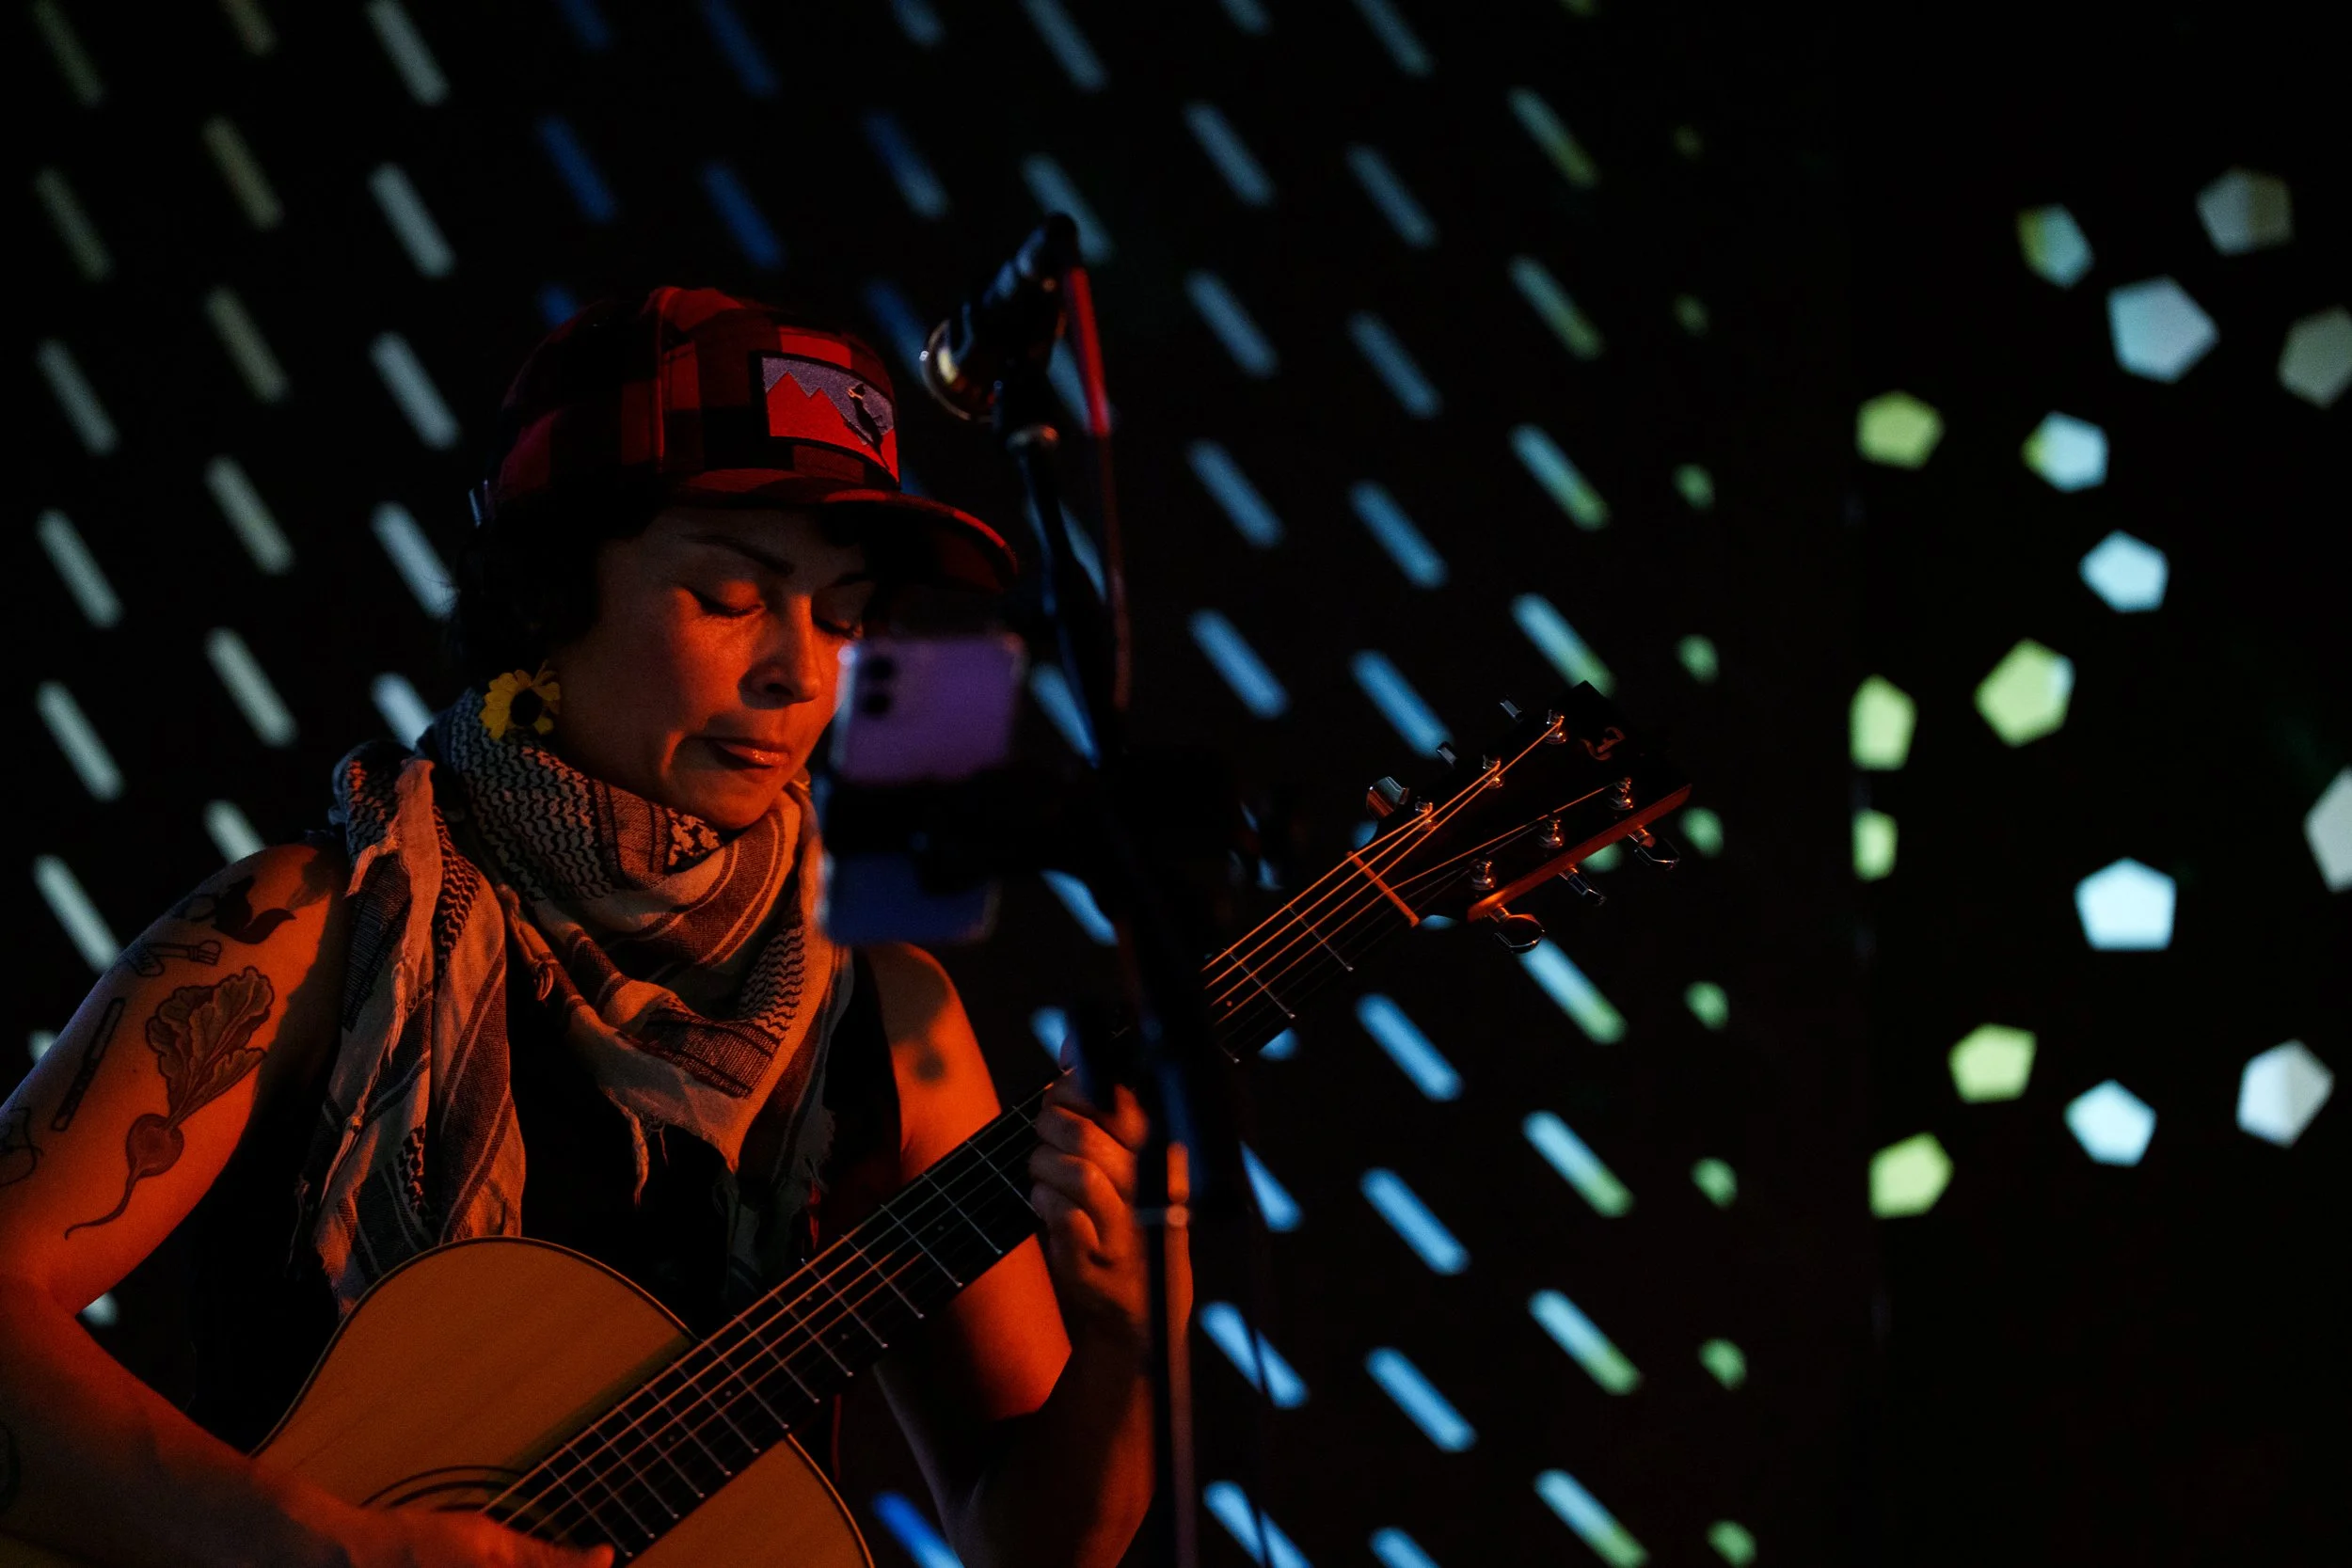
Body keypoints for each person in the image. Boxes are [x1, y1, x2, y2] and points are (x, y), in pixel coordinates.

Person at [0, 289, 1158, 1568]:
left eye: (844, 614)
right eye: (731, 592)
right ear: (547, 595)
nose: (802, 671)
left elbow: (1034, 1546)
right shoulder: (301, 930)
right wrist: (322, 1549)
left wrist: (1125, 1346)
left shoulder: (890, 1016)